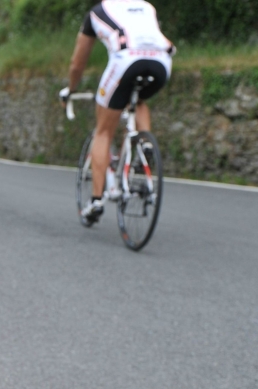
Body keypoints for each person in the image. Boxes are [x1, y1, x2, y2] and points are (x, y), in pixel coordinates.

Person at [59, 0, 175, 223]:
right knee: (139, 100)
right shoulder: (146, 6)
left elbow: (77, 63)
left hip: (126, 60)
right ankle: (144, 144)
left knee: (103, 131)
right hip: (162, 61)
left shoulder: (97, 13)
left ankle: (95, 200)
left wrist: (70, 89)